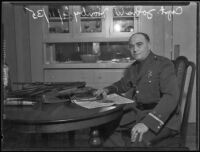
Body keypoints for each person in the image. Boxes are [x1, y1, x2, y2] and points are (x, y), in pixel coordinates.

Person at [93, 32, 181, 147]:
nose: (135, 49)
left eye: (139, 44)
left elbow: (171, 96)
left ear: (149, 45)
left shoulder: (163, 64)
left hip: (163, 118)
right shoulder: (134, 67)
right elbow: (122, 84)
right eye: (131, 46)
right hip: (138, 113)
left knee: (137, 139)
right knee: (103, 127)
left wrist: (147, 123)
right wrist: (107, 90)